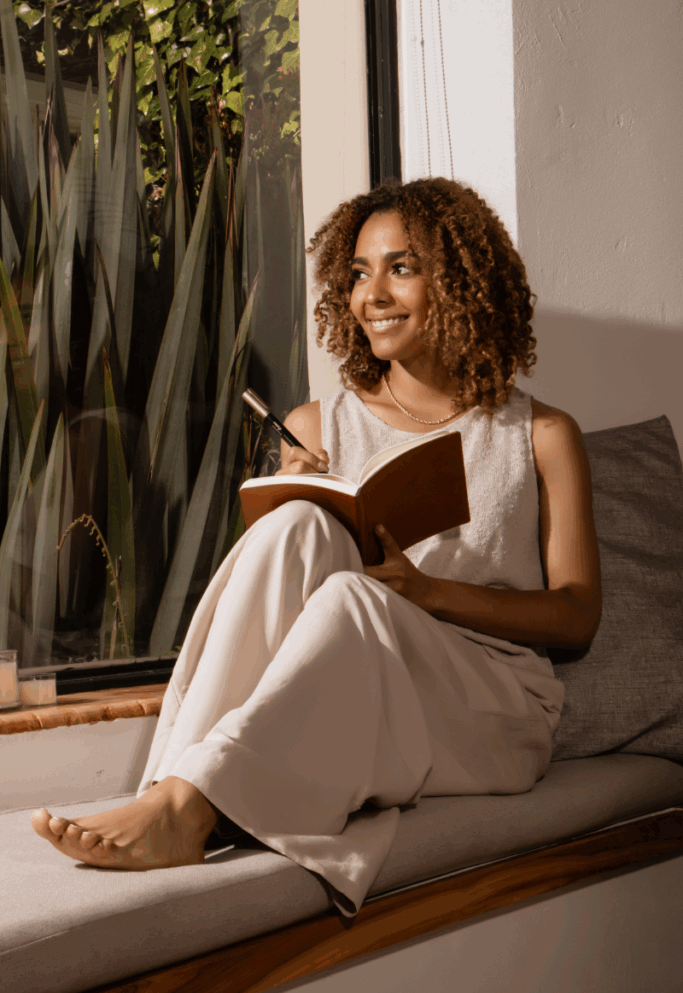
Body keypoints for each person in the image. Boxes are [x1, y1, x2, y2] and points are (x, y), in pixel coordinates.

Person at [30, 177, 601, 916]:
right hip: (356, 689)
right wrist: (287, 501)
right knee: (297, 528)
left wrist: (425, 593)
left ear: (462, 280)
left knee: (353, 596)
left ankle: (188, 805)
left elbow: (576, 618)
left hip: (487, 706)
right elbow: (268, 602)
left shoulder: (540, 435)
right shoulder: (317, 424)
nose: (373, 295)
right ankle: (174, 791)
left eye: (401, 267)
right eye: (358, 273)